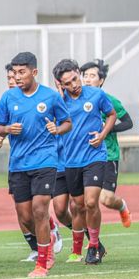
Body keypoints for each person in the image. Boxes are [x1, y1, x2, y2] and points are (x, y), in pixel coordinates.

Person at [0, 52, 72, 277]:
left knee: (40, 209)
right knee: (26, 217)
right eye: (14, 73)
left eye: (22, 72)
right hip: (18, 163)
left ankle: (43, 259)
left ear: (34, 72)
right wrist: (8, 130)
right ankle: (48, 237)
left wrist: (57, 129)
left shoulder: (50, 97)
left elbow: (67, 122)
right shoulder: (8, 98)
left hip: (45, 161)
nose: (17, 77)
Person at [53, 59, 116, 265]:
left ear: (78, 73)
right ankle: (77, 250)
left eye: (75, 78)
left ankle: (94, 246)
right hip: (71, 161)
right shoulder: (59, 102)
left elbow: (111, 115)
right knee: (77, 206)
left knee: (90, 202)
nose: (74, 84)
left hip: (94, 156)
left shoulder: (96, 94)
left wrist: (102, 134)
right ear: (60, 84)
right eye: (68, 83)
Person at [80, 60, 133, 227]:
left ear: (101, 80)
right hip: (85, 157)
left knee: (107, 199)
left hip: (108, 154)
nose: (87, 79)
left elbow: (128, 122)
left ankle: (122, 206)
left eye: (92, 76)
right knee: (87, 202)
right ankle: (93, 242)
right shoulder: (76, 100)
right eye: (85, 76)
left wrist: (107, 129)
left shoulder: (110, 100)